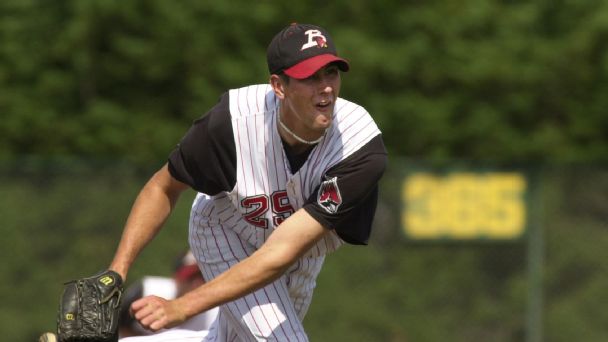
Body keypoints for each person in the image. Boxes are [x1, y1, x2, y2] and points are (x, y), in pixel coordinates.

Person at [109, 22, 387, 341]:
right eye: (310, 76)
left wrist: (182, 307)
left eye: (331, 73)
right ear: (278, 86)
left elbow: (282, 251)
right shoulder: (231, 122)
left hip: (296, 253)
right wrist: (119, 270)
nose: (326, 87)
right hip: (227, 229)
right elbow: (163, 186)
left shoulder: (359, 146)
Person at [118, 250, 218, 338]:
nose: (197, 283)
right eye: (191, 277)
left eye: (203, 277)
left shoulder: (217, 314)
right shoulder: (148, 290)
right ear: (176, 279)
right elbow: (121, 326)